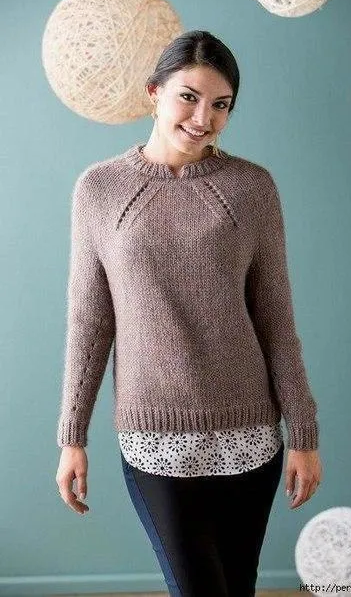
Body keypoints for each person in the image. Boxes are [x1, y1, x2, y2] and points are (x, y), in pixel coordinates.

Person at [56, 30, 323, 597]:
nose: (204, 118)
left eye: (221, 104)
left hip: (250, 434)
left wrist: (302, 432)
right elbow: (90, 323)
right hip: (153, 437)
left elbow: (276, 319)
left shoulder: (251, 188)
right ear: (154, 93)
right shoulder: (99, 190)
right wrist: (72, 436)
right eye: (189, 96)